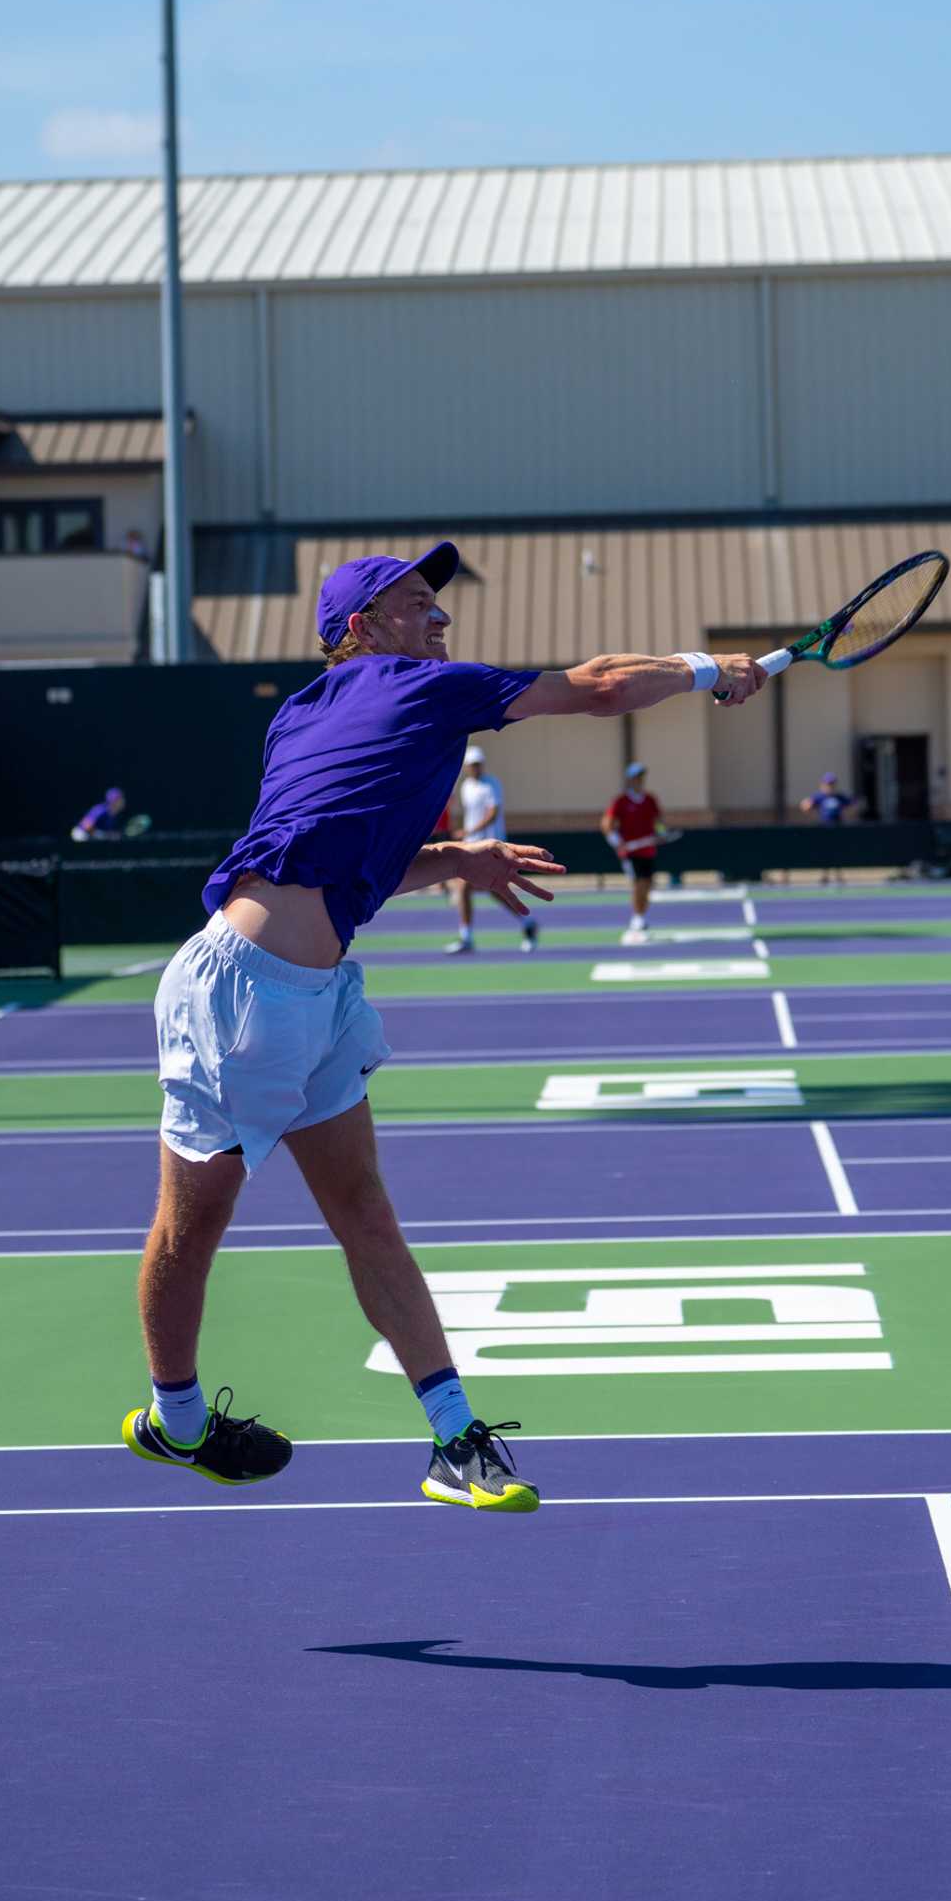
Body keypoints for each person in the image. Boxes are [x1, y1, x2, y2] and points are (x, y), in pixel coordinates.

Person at [123, 540, 765, 1512]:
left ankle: (455, 1439)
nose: (441, 618)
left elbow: (349, 862)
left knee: (365, 1210)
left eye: (437, 603)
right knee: (191, 1224)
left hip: (321, 994)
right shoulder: (412, 688)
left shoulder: (302, 713)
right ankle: (175, 1421)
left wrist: (454, 860)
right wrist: (711, 668)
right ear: (358, 631)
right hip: (237, 995)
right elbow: (594, 686)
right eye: (417, 602)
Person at [445, 744, 538, 955]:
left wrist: (469, 830)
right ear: (467, 767)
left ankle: (525, 923)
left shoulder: (491, 784)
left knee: (488, 889)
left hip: (493, 847)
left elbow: (493, 813)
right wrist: (465, 835)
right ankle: (469, 936)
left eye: (478, 764)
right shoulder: (466, 787)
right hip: (472, 847)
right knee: (473, 888)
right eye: (472, 765)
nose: (475, 768)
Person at [601, 761, 667, 943]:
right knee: (638, 884)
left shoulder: (651, 800)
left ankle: (641, 916)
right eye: (636, 777)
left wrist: (661, 833)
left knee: (647, 885)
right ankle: (637, 918)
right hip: (630, 853)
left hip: (648, 850)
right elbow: (607, 825)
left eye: (641, 776)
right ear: (630, 779)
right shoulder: (620, 801)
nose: (639, 780)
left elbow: (659, 822)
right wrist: (617, 842)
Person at [800, 772, 854, 884]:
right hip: (824, 829)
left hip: (837, 829)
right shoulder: (819, 796)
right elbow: (805, 805)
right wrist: (808, 806)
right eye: (828, 784)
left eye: (832, 784)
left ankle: (839, 875)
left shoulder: (839, 797)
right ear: (823, 784)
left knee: (838, 853)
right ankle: (825, 875)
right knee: (825, 853)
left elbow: (852, 805)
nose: (831, 786)